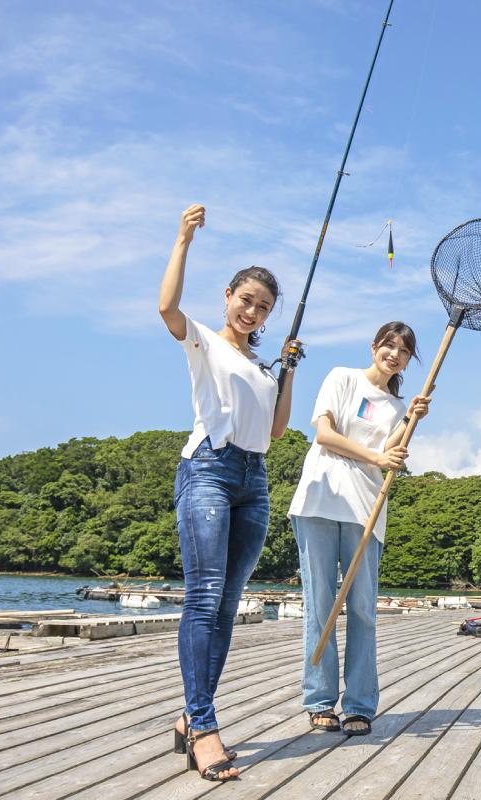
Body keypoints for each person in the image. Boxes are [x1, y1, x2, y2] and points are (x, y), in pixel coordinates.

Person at [159, 202, 298, 781]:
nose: (253, 311)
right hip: (209, 470)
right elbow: (166, 307)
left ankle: (192, 717)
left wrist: (287, 371)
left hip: (254, 478)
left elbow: (277, 429)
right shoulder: (204, 344)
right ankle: (204, 725)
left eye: (263, 307)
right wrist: (182, 239)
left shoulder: (263, 369)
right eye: (246, 300)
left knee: (225, 607)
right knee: (204, 595)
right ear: (228, 296)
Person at [288, 322, 430, 737]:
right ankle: (319, 701)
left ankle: (360, 705)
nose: (394, 355)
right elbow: (325, 434)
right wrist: (376, 456)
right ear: (374, 347)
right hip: (318, 501)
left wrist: (410, 420)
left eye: (403, 351)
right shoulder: (341, 378)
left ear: (407, 360)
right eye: (389, 346)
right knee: (320, 605)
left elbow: (389, 455)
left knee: (364, 610)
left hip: (366, 510)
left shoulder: (395, 406)